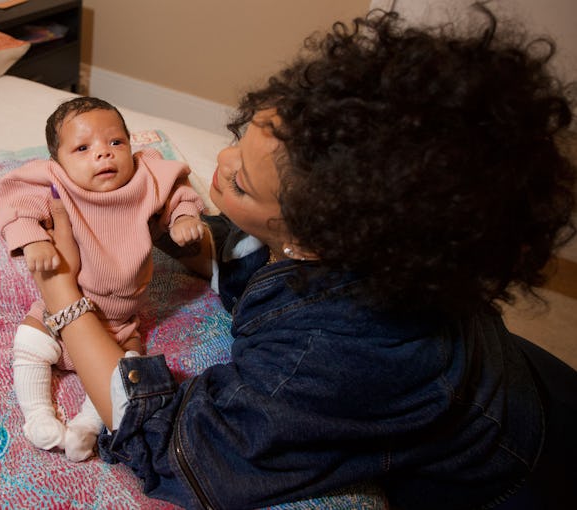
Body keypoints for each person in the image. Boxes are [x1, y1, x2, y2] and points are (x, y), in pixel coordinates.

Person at [29, 5, 577, 509]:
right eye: (237, 139)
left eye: (239, 180)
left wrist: (63, 292)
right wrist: (156, 223)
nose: (218, 160)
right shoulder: (366, 252)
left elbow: (174, 442)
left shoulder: (328, 354)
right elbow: (246, 255)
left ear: (318, 234)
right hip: (527, 381)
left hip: (518, 479)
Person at [0, 97, 205, 462]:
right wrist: (33, 239)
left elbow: (179, 191)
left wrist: (183, 217)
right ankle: (38, 417)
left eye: (115, 142)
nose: (104, 154)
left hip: (119, 323)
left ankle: (87, 427)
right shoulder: (56, 184)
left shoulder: (146, 176)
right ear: (57, 163)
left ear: (131, 146)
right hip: (58, 314)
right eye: (83, 147)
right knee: (29, 341)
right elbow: (16, 204)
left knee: (130, 368)